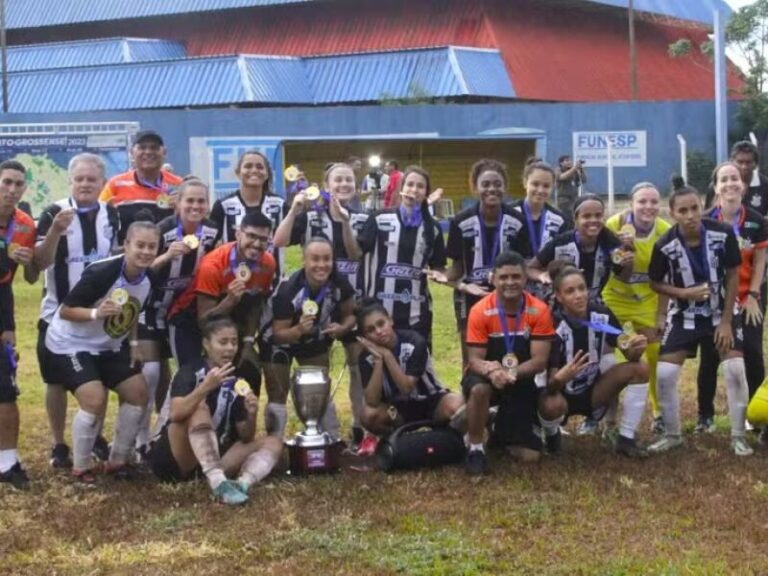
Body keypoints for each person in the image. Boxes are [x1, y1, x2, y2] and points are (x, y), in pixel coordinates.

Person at [43, 221, 160, 482]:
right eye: (139, 245)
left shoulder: (149, 278)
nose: (145, 251)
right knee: (94, 400)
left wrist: (132, 345)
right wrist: (97, 313)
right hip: (70, 342)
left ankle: (118, 461)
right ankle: (81, 468)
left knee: (138, 392)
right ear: (126, 245)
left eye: (152, 246)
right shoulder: (103, 272)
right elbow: (66, 310)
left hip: (108, 345)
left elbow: (132, 311)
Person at [647, 182, 752, 456]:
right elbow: (655, 283)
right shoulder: (664, 244)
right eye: (683, 210)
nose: (691, 215)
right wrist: (683, 292)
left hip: (722, 313)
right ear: (673, 214)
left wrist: (727, 320)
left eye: (695, 208)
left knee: (735, 370)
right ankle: (672, 434)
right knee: (666, 374)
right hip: (685, 315)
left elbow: (732, 274)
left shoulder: (723, 232)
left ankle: (738, 436)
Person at [272, 162, 369, 450]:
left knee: (357, 364)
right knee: (317, 372)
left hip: (344, 294)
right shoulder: (310, 214)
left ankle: (360, 428)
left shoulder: (363, 217)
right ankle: (323, 432)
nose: (343, 185)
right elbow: (279, 241)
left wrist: (344, 221)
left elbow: (357, 254)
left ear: (356, 185)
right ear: (326, 185)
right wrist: (295, 208)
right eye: (337, 180)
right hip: (310, 298)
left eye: (349, 180)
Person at [34, 153, 119, 469]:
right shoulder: (53, 211)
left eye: (92, 179)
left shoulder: (111, 214)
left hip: (97, 313)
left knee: (100, 376)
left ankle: (95, 436)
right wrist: (55, 231)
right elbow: (39, 262)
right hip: (56, 313)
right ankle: (58, 444)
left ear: (102, 183)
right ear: (70, 181)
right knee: (54, 382)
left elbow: (115, 255)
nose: (85, 184)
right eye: (79, 179)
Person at [147, 316, 282, 505]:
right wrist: (205, 387)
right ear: (206, 344)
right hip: (173, 457)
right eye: (223, 342)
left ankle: (241, 484)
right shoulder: (190, 371)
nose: (229, 348)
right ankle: (219, 482)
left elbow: (246, 437)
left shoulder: (238, 380)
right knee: (199, 408)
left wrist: (251, 414)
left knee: (274, 442)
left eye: (234, 343)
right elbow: (176, 414)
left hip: (213, 457)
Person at [539, 264, 650, 458]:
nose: (579, 295)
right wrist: (561, 378)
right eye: (570, 291)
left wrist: (636, 348)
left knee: (640, 368)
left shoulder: (602, 314)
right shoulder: (552, 325)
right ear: (558, 296)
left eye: (582, 288)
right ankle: (552, 436)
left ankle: (626, 437)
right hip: (561, 395)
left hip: (594, 391)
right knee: (550, 405)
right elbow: (548, 386)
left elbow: (629, 355)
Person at [140, 178, 219, 453]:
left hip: (185, 314)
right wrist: (164, 258)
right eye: (190, 200)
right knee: (150, 374)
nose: (196, 206)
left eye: (201, 201)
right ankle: (144, 440)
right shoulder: (162, 232)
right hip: (151, 309)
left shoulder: (212, 231)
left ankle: (171, 432)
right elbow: (138, 268)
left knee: (188, 372)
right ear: (178, 203)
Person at [462, 251, 555, 475]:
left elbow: (540, 361)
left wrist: (508, 372)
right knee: (479, 389)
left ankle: (497, 425)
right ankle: (475, 448)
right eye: (503, 277)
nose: (510, 282)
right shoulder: (479, 310)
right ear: (493, 279)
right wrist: (491, 371)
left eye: (516, 276)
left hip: (519, 379)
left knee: (529, 457)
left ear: (525, 279)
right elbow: (473, 359)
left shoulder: (539, 310)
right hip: (487, 376)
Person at [166, 210, 276, 400]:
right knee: (194, 378)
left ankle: (239, 424)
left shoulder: (268, 263)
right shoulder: (214, 264)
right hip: (189, 322)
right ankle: (179, 425)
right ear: (238, 234)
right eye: (251, 236)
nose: (257, 244)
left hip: (229, 324)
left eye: (263, 239)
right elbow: (203, 320)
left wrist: (248, 342)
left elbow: (256, 305)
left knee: (249, 372)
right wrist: (229, 301)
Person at [258, 237, 356, 439]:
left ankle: (331, 439)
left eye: (327, 259)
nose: (321, 265)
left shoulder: (339, 282)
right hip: (278, 340)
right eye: (315, 259)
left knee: (319, 387)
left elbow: (351, 314)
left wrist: (342, 328)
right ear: (304, 260)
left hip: (313, 337)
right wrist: (298, 330)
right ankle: (274, 444)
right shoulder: (288, 290)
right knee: (278, 392)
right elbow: (278, 333)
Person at [696, 163, 768, 435]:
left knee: (752, 352)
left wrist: (753, 295)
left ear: (743, 185)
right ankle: (705, 415)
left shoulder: (757, 220)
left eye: (734, 178)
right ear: (716, 187)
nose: (729, 183)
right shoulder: (704, 220)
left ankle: (755, 416)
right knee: (711, 355)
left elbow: (761, 260)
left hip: (749, 295)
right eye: (723, 179)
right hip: (715, 299)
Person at [602, 182, 671, 436]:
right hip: (615, 302)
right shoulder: (614, 225)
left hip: (647, 304)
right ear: (631, 203)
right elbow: (615, 271)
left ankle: (658, 413)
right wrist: (623, 250)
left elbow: (667, 278)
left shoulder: (665, 232)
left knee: (652, 357)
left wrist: (662, 314)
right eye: (642, 201)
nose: (648, 206)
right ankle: (605, 416)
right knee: (610, 359)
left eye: (654, 201)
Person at [445, 159, 523, 367]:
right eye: (485, 184)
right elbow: (456, 269)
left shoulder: (517, 220)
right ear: (475, 187)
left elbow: (525, 264)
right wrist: (454, 282)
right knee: (471, 359)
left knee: (507, 352)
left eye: (497, 184)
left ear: (505, 187)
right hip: (469, 298)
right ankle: (471, 396)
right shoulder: (459, 221)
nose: (492, 189)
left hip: (508, 296)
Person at [359, 165, 447, 348]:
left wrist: (445, 277)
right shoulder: (378, 219)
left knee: (415, 369)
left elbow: (439, 268)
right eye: (410, 184)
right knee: (376, 368)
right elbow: (357, 253)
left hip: (415, 313)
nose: (414, 190)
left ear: (426, 193)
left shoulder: (433, 229)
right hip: (378, 312)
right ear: (402, 188)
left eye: (420, 186)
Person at [356, 300, 464, 435]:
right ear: (365, 336)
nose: (378, 331)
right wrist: (378, 360)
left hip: (431, 400)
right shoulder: (365, 357)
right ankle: (396, 441)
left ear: (390, 320)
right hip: (397, 410)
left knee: (458, 405)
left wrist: (387, 355)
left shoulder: (415, 342)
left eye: (381, 324)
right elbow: (372, 401)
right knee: (368, 415)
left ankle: (451, 438)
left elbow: (406, 387)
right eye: (370, 330)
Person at [0, 160, 38, 489]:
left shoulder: (25, 225)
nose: (11, 190)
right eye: (6, 183)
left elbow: (29, 277)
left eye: (18, 184)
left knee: (6, 389)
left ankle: (8, 462)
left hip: (2, 305)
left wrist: (29, 263)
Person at [528, 194, 628, 305]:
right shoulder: (561, 243)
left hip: (593, 305)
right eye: (586, 216)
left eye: (598, 215)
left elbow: (624, 277)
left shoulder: (611, 244)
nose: (593, 220)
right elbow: (530, 269)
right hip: (561, 306)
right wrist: (542, 276)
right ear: (575, 219)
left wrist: (629, 259)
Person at [209, 150, 286, 282]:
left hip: (272, 284)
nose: (254, 170)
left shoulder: (280, 204)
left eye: (260, 167)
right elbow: (209, 245)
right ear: (238, 172)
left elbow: (296, 236)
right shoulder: (223, 205)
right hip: (231, 284)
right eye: (248, 166)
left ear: (267, 173)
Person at [100, 130, 183, 245]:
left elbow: (193, 221)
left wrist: (180, 210)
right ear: (131, 152)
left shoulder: (179, 185)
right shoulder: (115, 184)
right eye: (142, 147)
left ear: (164, 152)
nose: (148, 152)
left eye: (154, 148)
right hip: (126, 257)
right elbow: (97, 217)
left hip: (167, 254)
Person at [510, 159, 570, 263]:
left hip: (546, 276)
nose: (540, 190)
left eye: (546, 186)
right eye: (535, 184)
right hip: (514, 276)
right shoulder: (508, 214)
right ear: (525, 182)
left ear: (553, 187)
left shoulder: (560, 220)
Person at [556, 155, 587, 221]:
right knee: (566, 217)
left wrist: (581, 170)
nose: (569, 162)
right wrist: (574, 168)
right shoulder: (559, 170)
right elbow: (562, 177)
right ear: (561, 163)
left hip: (574, 198)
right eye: (566, 160)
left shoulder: (574, 171)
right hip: (564, 199)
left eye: (570, 160)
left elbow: (583, 180)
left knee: (575, 217)